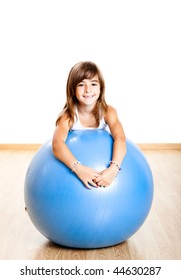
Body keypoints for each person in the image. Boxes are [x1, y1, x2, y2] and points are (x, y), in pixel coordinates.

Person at [52, 61, 126, 189]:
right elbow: (57, 144)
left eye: (93, 84)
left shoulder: (109, 112)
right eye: (81, 84)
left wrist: (114, 168)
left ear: (101, 87)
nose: (88, 90)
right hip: (73, 167)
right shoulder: (68, 116)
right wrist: (78, 169)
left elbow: (120, 138)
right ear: (72, 89)